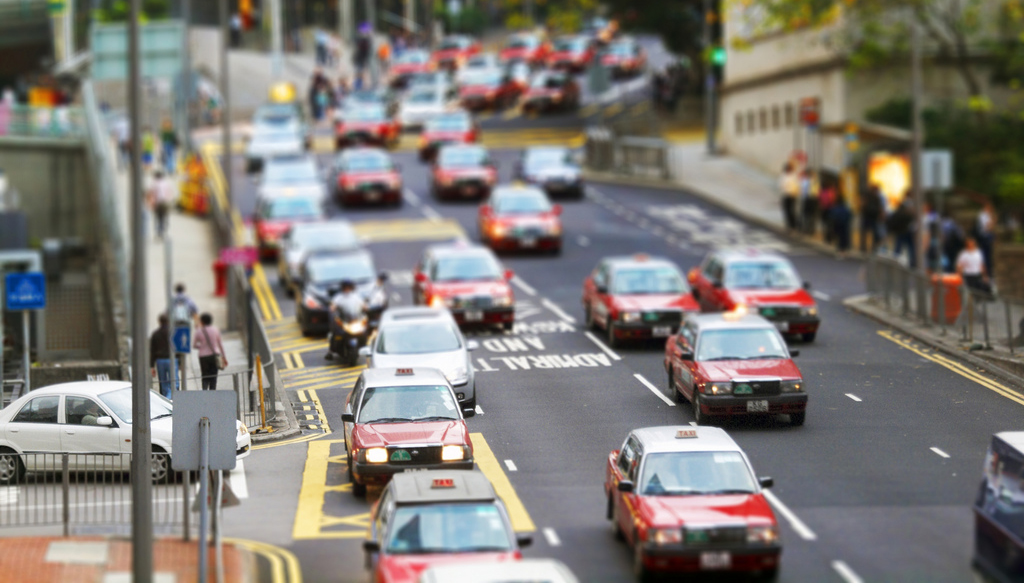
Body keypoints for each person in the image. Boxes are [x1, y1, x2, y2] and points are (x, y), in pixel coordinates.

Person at [195, 313, 227, 391]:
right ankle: (212, 393)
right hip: (214, 355)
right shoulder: (215, 330)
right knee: (213, 376)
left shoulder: (199, 331)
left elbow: (194, 345)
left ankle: (205, 392)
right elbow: (220, 344)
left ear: (202, 321)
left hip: (203, 357)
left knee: (205, 376)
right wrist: (224, 357)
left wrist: (201, 347)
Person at [149, 314, 177, 398]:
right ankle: (171, 398)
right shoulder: (173, 332)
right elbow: (177, 347)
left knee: (163, 383)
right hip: (171, 359)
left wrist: (152, 366)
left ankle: (166, 399)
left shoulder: (155, 334)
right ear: (168, 321)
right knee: (174, 382)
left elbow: (152, 350)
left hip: (160, 360)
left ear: (159, 322)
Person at [888, 198, 916, 268]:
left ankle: (895, 263)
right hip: (905, 232)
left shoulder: (898, 212)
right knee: (909, 248)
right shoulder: (906, 212)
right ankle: (912, 263)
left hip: (901, 232)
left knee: (898, 248)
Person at [147, 170, 175, 239]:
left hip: (158, 203)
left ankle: (158, 232)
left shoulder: (154, 184)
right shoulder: (167, 183)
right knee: (163, 217)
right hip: (166, 203)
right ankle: (162, 231)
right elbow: (170, 194)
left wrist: (151, 204)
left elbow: (152, 195)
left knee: (157, 218)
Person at [859, 184, 884, 254]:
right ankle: (872, 248)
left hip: (868, 216)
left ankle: (864, 248)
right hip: (872, 217)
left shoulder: (868, 196)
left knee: (866, 232)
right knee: (872, 233)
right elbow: (880, 207)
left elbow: (863, 205)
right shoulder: (876, 197)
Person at [976, 202, 996, 278]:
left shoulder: (986, 216)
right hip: (984, 237)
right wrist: (993, 222)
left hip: (987, 236)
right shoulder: (983, 216)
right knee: (986, 256)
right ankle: (987, 273)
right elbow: (987, 227)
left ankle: (989, 271)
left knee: (988, 256)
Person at [779, 162, 800, 232]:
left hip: (792, 195)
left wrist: (795, 192)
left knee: (792, 211)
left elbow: (797, 186)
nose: (788, 169)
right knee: (786, 210)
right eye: (787, 168)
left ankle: (793, 225)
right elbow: (781, 185)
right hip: (785, 195)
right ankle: (788, 225)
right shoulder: (783, 176)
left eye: (789, 168)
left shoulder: (794, 176)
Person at [800, 169, 819, 236]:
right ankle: (808, 229)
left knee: (810, 215)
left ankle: (810, 229)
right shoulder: (806, 182)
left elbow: (817, 191)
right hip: (809, 199)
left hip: (811, 199)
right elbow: (803, 190)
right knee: (808, 215)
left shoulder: (814, 182)